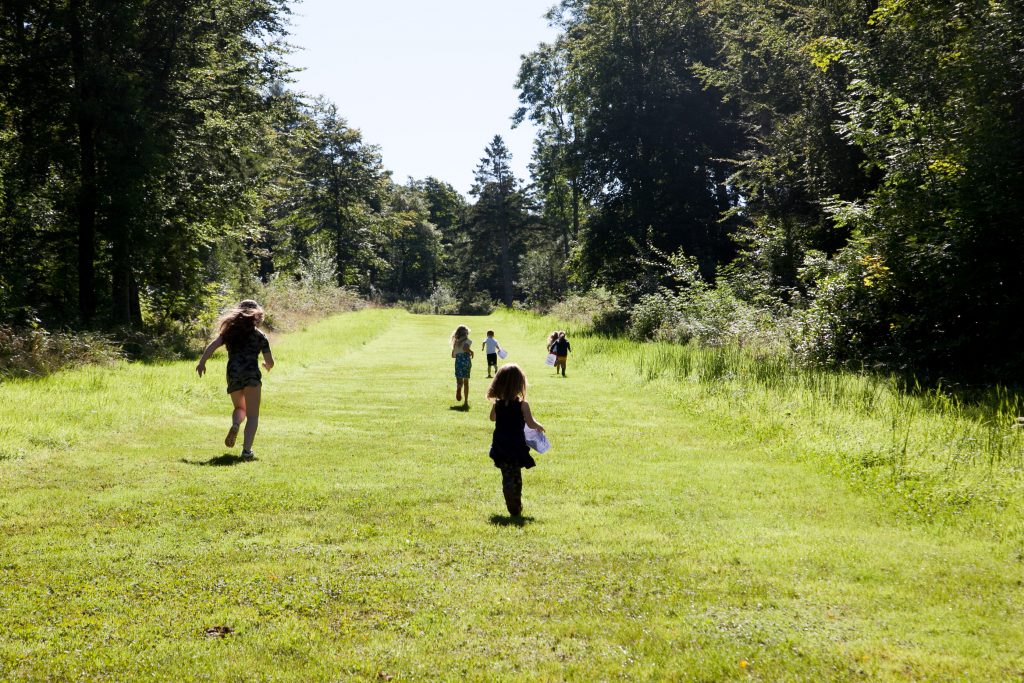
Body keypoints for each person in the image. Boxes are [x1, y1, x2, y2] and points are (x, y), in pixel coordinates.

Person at [195, 300, 275, 459]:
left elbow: (212, 345)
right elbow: (270, 361)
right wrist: (267, 365)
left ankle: (236, 424)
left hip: (233, 374)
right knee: (252, 416)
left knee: (240, 408)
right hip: (251, 375)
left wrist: (202, 362)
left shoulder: (230, 332)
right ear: (256, 315)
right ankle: (246, 451)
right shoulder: (260, 336)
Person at [487, 363, 546, 517]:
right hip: (516, 444)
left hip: (500, 444)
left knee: (507, 473)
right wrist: (539, 426)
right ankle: (515, 503)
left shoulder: (498, 404)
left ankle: (508, 492)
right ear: (519, 385)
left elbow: (492, 418)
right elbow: (530, 422)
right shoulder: (522, 405)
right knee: (516, 477)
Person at [450, 325, 474, 408]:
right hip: (466, 361)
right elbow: (465, 348)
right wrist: (471, 352)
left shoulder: (456, 342)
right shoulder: (468, 340)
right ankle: (466, 401)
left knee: (459, 380)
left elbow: (453, 355)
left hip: (458, 361)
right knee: (466, 382)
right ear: (466, 333)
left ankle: (459, 387)